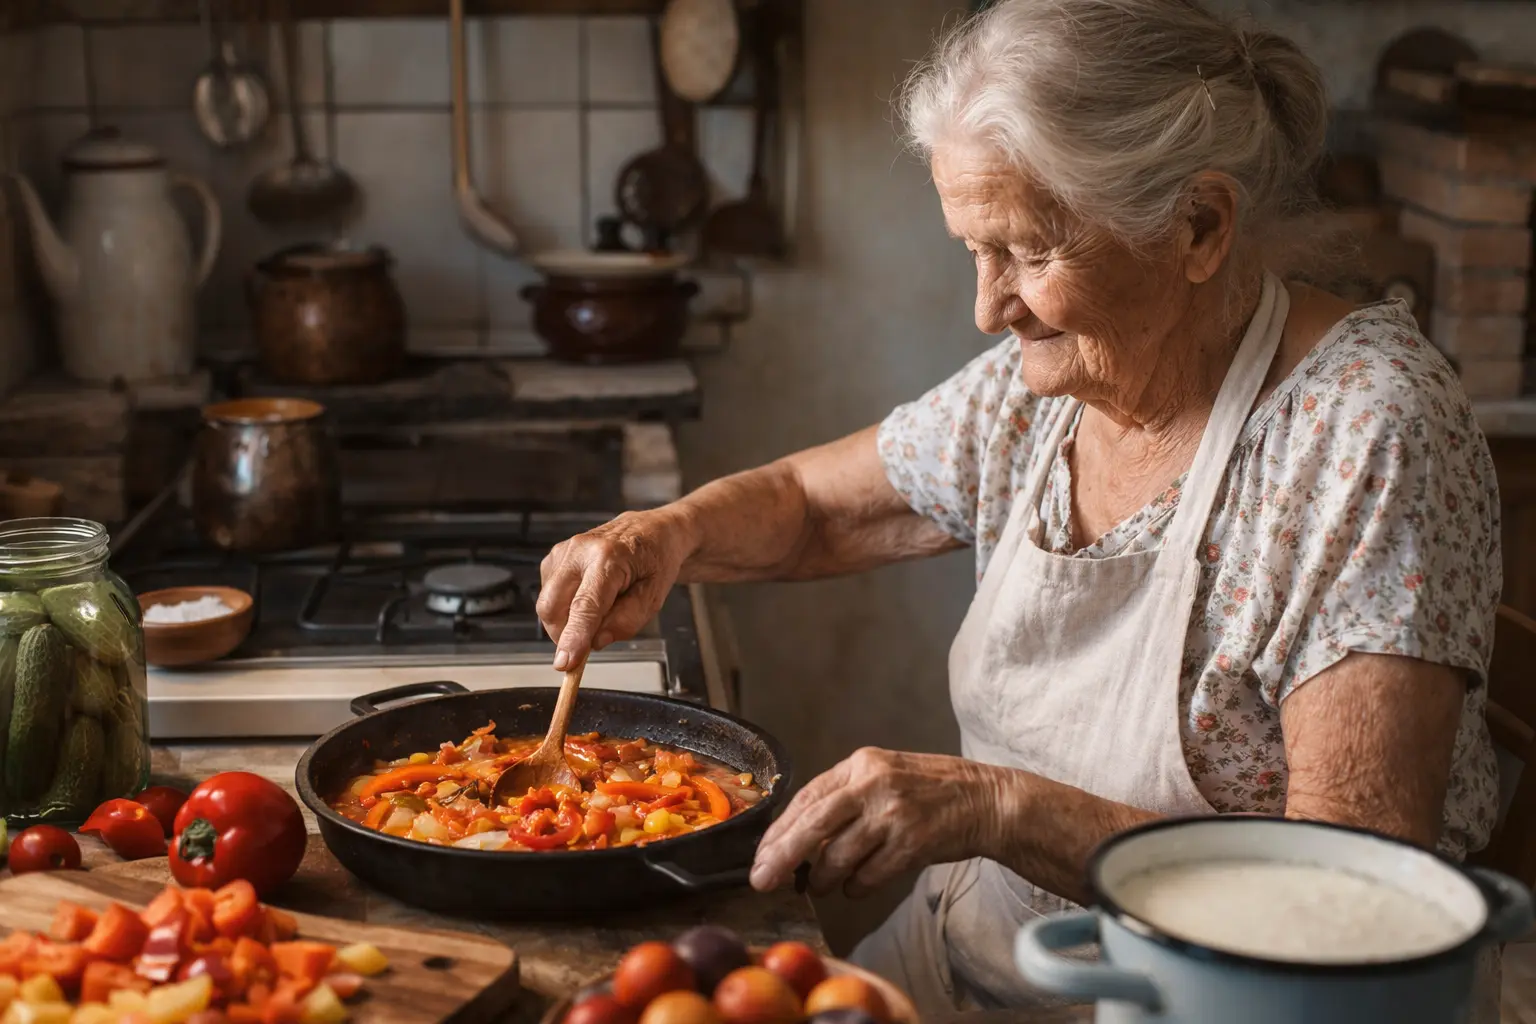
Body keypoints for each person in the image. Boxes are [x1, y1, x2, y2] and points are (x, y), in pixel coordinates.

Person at [536, 0, 1503, 1016]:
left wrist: (998, 807)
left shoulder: (1364, 428)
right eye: (974, 249)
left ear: (1200, 227)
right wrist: (666, 533)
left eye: (1031, 252)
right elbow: (816, 508)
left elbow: (1349, 891)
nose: (987, 308)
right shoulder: (1045, 388)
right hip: (985, 956)